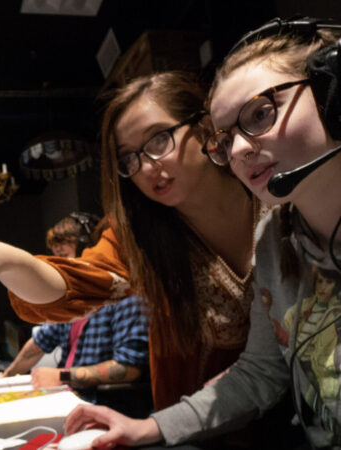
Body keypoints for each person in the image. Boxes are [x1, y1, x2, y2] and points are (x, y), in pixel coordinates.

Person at [0, 70, 274, 447]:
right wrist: (9, 262)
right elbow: (77, 283)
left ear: (204, 128)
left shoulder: (279, 202)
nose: (147, 166)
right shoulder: (139, 240)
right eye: (130, 158)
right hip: (196, 429)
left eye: (159, 139)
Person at [61, 18, 341, 449]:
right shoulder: (273, 238)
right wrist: (146, 428)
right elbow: (261, 372)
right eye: (227, 139)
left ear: (332, 95)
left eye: (261, 114)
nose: (241, 149)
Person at [0, 214, 150, 408]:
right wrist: (5, 378)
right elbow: (38, 344)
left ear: (89, 250)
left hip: (100, 405)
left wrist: (61, 376)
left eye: (63, 257)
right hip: (69, 399)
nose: (58, 267)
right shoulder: (71, 300)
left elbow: (129, 368)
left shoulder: (128, 297)